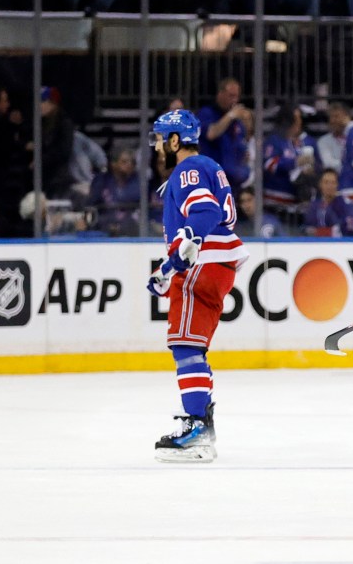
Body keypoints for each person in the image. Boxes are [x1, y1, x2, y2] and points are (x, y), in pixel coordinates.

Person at [146, 109, 248, 462]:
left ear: (175, 141)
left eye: (160, 140)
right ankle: (201, 423)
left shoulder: (188, 168)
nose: (158, 147)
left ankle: (196, 430)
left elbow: (204, 214)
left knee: (185, 345)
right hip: (210, 265)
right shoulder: (204, 167)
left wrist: (188, 244)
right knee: (191, 347)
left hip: (203, 265)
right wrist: (167, 269)